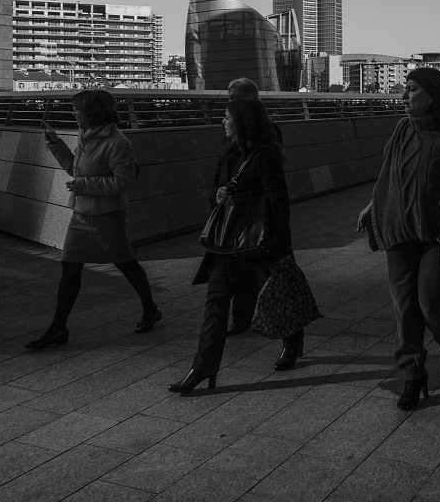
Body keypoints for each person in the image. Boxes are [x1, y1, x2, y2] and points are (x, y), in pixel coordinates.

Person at [356, 68, 440, 411]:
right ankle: (413, 375)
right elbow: (389, 174)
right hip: (400, 228)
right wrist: (373, 205)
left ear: (432, 96)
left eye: (411, 90)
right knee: (404, 305)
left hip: (439, 235)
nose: (403, 96)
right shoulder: (402, 130)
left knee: (430, 303)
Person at [170, 98, 314, 393]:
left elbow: (278, 203)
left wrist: (282, 247)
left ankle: (293, 339)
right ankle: (203, 367)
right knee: (215, 303)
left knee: (278, 293)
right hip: (227, 243)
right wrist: (219, 194)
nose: (222, 122)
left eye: (226, 117)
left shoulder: (265, 156)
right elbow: (213, 192)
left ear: (241, 121)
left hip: (258, 241)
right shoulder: (227, 152)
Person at [26, 90, 161, 350]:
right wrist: (55, 144)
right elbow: (74, 170)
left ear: (93, 113)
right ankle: (58, 328)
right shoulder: (86, 137)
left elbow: (124, 180)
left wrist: (83, 185)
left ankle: (150, 308)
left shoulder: (117, 142)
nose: (74, 113)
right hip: (82, 213)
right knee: (70, 267)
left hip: (108, 217)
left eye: (78, 109)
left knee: (126, 264)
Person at [217, 77, 267, 336]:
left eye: (235, 96)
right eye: (229, 96)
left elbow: (273, 193)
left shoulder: (264, 143)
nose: (230, 101)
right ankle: (240, 318)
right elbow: (222, 172)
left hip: (252, 218)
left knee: (260, 271)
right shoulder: (231, 135)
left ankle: (286, 331)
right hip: (231, 214)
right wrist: (218, 193)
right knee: (235, 272)